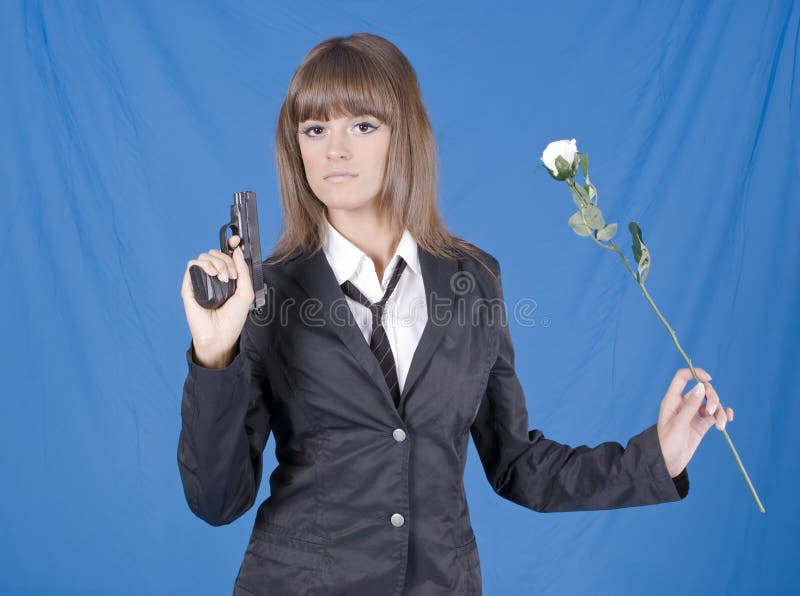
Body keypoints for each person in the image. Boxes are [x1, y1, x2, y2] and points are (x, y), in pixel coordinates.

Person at [177, 32, 734, 596]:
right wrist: (213, 353)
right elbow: (218, 501)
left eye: (363, 126)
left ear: (405, 137)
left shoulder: (474, 281)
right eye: (315, 129)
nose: (334, 150)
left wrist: (655, 458)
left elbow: (517, 462)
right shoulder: (265, 292)